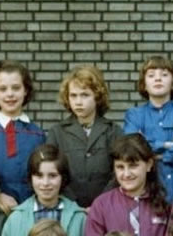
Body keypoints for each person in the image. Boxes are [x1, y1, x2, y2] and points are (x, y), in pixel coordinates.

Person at [85, 133, 170, 236]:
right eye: (120, 167)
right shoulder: (102, 205)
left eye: (133, 166)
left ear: (149, 164)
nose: (126, 174)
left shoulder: (163, 205)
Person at [0, 144, 87, 236]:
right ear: (31, 178)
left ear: (62, 178)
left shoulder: (79, 218)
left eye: (52, 176)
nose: (45, 183)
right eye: (39, 176)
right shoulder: (15, 219)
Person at [123, 55, 173, 203]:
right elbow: (133, 150)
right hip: (148, 193)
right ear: (144, 84)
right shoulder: (133, 116)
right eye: (151, 75)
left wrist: (154, 154)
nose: (158, 79)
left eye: (164, 75)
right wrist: (166, 145)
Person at [0, 60, 45, 204]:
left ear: (26, 90)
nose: (10, 94)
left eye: (16, 88)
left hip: (29, 207)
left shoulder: (37, 134)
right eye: (3, 89)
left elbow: (43, 174)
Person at [46, 65, 122, 207]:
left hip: (106, 206)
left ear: (97, 97)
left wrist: (100, 203)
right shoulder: (57, 132)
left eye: (85, 95)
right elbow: (52, 170)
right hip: (68, 207)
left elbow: (118, 172)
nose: (78, 102)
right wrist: (72, 203)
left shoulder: (113, 131)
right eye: (73, 95)